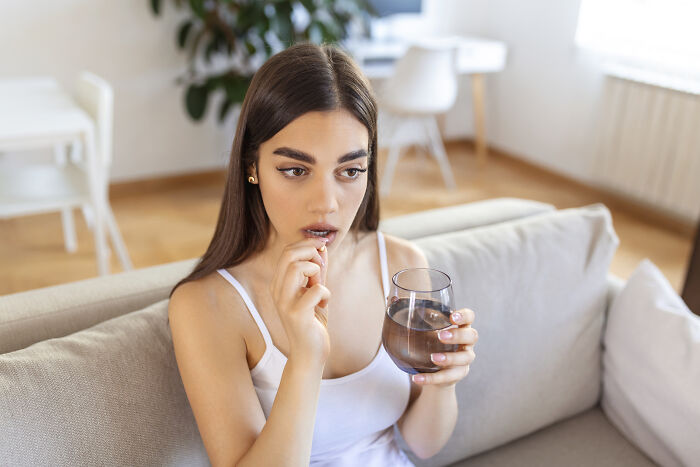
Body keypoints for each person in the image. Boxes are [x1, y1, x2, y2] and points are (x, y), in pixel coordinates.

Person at [167, 42, 479, 466]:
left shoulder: (405, 266)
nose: (327, 203)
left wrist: (443, 381)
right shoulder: (206, 306)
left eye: (350, 171)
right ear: (251, 166)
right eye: (296, 170)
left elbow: (420, 445)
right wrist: (306, 356)